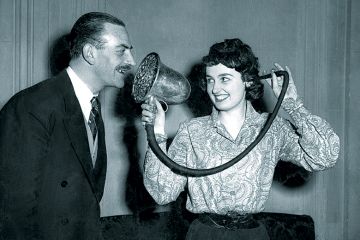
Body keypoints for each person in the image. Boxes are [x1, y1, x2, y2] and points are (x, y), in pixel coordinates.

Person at [140, 38, 340, 239]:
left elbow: (325, 156)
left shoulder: (272, 128)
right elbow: (161, 193)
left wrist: (293, 105)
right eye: (211, 80)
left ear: (248, 80)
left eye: (225, 78)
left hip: (252, 235)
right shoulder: (192, 131)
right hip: (204, 234)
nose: (215, 89)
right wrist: (157, 131)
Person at [0, 12, 135, 240]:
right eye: (122, 50)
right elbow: (14, 211)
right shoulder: (31, 106)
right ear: (90, 53)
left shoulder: (91, 105)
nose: (131, 61)